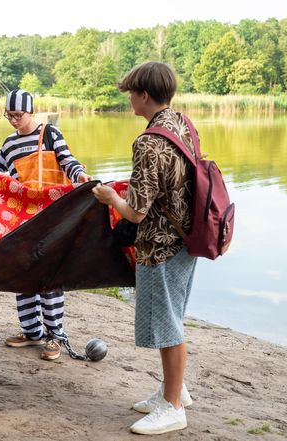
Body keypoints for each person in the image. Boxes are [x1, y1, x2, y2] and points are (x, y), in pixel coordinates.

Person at [93, 62, 197, 435]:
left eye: (131, 93)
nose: (129, 99)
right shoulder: (181, 124)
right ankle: (174, 391)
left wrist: (110, 198)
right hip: (187, 238)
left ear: (145, 95)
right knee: (173, 317)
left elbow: (135, 212)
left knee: (167, 324)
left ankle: (172, 408)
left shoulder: (149, 142)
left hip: (161, 245)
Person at [0, 89, 92, 361]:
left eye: (17, 115)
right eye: (9, 115)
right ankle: (32, 331)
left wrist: (79, 175)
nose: (13, 120)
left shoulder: (51, 134)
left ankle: (55, 335)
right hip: (23, 218)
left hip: (53, 216)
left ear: (31, 112)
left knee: (49, 276)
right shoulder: (9, 143)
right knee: (23, 272)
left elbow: (68, 161)